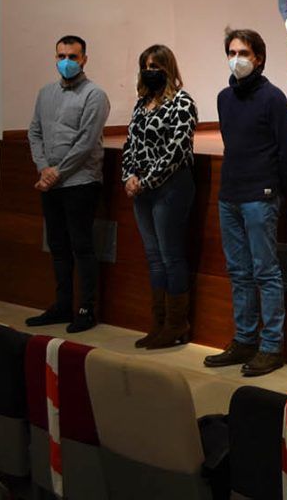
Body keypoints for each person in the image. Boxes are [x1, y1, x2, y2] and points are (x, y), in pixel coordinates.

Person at [204, 29, 287, 378]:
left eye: (244, 52)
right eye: (231, 51)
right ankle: (244, 339)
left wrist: (275, 192)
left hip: (260, 197)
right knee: (239, 272)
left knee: (265, 272)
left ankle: (271, 346)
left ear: (258, 57)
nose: (237, 58)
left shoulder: (273, 98)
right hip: (229, 195)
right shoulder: (223, 98)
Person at [25, 35, 111, 333]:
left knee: (81, 246)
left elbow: (86, 142)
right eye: (61, 55)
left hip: (81, 182)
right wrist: (43, 168)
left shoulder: (94, 95)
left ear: (84, 59)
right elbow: (34, 133)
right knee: (58, 246)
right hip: (51, 183)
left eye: (72, 57)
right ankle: (62, 306)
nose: (66, 61)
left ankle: (86, 309)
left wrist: (56, 173)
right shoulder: (45, 93)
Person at [121, 45, 198, 349]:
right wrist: (128, 177)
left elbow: (176, 151)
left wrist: (148, 180)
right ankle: (159, 323)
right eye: (146, 65)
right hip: (141, 189)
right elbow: (130, 143)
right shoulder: (142, 104)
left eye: (156, 65)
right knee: (154, 259)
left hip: (171, 188)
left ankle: (177, 324)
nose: (150, 70)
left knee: (171, 256)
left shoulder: (182, 103)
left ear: (168, 68)